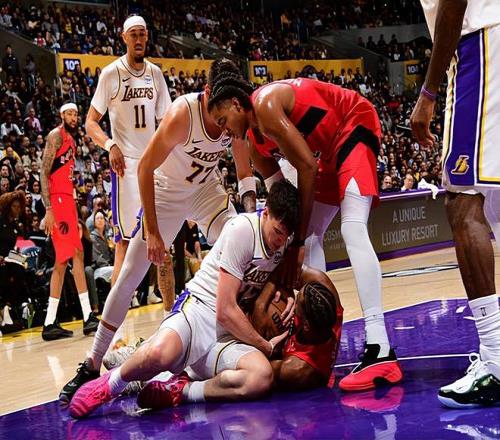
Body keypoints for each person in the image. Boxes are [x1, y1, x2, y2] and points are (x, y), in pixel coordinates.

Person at [59, 59, 256, 403]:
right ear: (208, 92)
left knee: (245, 250)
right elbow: (146, 167)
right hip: (166, 193)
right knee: (130, 276)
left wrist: (251, 219)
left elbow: (243, 172)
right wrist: (151, 230)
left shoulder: (235, 113)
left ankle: (225, 336)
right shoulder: (183, 112)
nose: (224, 123)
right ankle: (91, 363)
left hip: (205, 191)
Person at [207, 72, 402, 391]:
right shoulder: (255, 146)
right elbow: (285, 203)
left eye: (223, 120)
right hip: (327, 151)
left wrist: (295, 243)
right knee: (309, 236)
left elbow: (307, 167)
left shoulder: (265, 104)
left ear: (236, 104)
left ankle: (379, 347)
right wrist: (287, 256)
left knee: (352, 228)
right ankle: (317, 341)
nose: (224, 130)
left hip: (353, 122)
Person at [68, 181, 297, 418]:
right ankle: (111, 384)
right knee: (160, 354)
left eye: (286, 235)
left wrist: (288, 294)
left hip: (230, 334)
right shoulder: (243, 229)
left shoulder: (284, 242)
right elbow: (225, 310)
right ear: (265, 213)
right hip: (199, 310)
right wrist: (264, 345)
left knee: (261, 377)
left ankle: (182, 390)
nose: (280, 240)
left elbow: (290, 276)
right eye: (277, 232)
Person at [411, 0, 500, 408]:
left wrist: (428, 91)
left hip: (481, 44)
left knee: (462, 201)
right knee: (493, 203)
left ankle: (496, 360)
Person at [83, 14, 171, 290]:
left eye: (142, 34)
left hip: (153, 163)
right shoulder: (111, 73)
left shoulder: (155, 74)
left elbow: (167, 122)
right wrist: (110, 145)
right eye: (133, 34)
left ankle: (166, 308)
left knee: (163, 238)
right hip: (127, 168)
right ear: (124, 38)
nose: (139, 39)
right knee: (124, 241)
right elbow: (90, 122)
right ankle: (115, 313)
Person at [40, 103, 99, 341]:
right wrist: (48, 209)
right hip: (57, 202)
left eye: (76, 114)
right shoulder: (55, 136)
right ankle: (87, 316)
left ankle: (50, 322)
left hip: (67, 202)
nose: (74, 118)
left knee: (65, 261)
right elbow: (44, 172)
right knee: (74, 256)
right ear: (62, 115)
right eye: (70, 114)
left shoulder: (72, 142)